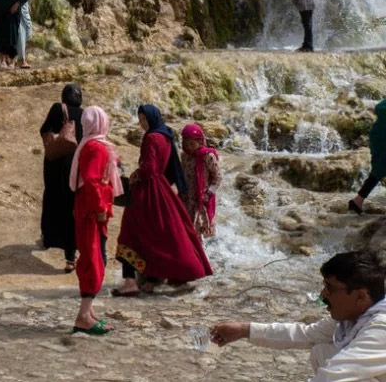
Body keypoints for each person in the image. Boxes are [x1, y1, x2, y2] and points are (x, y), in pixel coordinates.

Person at [211, 251, 386, 381]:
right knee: (322, 351)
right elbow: (305, 335)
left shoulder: (381, 328)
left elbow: (334, 375)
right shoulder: (355, 315)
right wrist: (244, 330)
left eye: (330, 289)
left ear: (361, 297)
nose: (323, 295)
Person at [114, 104, 213, 296]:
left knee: (130, 233)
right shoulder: (166, 135)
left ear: (151, 118)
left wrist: (136, 174)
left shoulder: (151, 137)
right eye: (140, 119)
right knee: (159, 236)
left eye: (144, 119)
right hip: (162, 190)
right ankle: (151, 279)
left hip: (147, 192)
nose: (142, 123)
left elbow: (149, 168)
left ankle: (131, 282)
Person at [67, 106, 123, 335]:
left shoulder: (89, 145)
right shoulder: (97, 147)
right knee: (95, 258)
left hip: (86, 208)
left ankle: (87, 312)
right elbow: (92, 180)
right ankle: (83, 315)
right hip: (92, 211)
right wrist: (101, 207)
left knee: (94, 256)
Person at [39, 84, 85, 272]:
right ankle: (71, 257)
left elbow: (43, 130)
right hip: (76, 166)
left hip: (57, 164)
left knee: (53, 200)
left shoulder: (58, 108)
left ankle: (49, 238)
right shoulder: (85, 114)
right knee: (72, 207)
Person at [181, 123, 221, 237]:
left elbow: (217, 177)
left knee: (200, 227)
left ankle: (200, 251)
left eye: (192, 144)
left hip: (202, 198)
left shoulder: (208, 156)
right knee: (186, 227)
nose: (189, 147)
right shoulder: (184, 156)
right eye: (186, 143)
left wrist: (208, 193)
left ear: (200, 141)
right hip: (187, 197)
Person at [350, 99, 386, 215]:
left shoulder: (383, 105)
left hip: (378, 138)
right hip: (382, 140)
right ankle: (358, 200)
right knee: (379, 170)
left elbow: (379, 107)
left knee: (378, 171)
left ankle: (357, 201)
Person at [15, 0, 34, 69]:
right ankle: (21, 60)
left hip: (24, 4)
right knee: (21, 31)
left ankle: (18, 57)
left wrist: (28, 3)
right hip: (16, 4)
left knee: (27, 29)